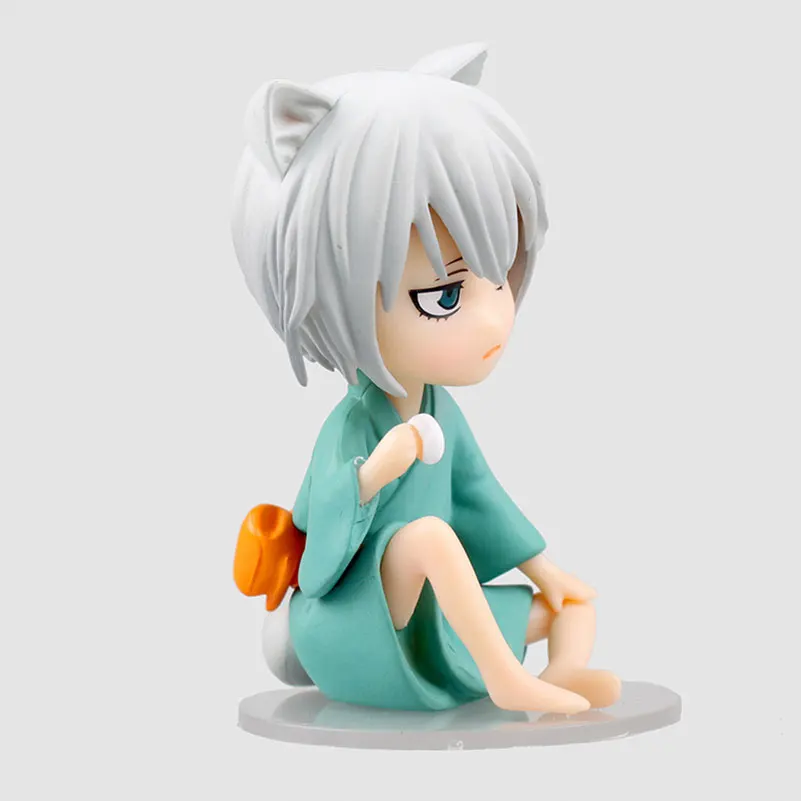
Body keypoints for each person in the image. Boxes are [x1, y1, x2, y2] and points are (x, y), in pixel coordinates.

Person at [231, 43, 621, 713]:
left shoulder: (440, 409)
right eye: (443, 296)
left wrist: (542, 568)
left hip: (431, 613)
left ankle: (560, 670)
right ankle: (505, 677)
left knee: (573, 599)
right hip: (354, 622)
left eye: (501, 276)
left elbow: (480, 496)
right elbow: (321, 528)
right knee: (429, 538)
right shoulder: (355, 424)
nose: (495, 319)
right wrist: (378, 469)